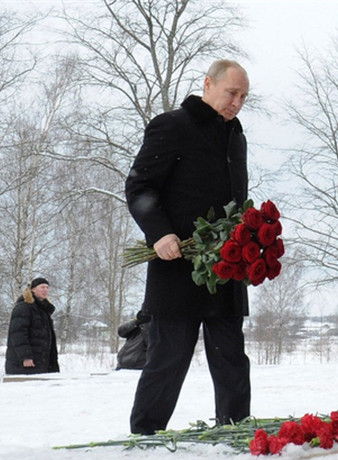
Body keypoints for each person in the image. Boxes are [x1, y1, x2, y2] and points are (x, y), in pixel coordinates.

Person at [125, 59, 252, 435]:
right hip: (177, 266)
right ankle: (145, 434)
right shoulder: (173, 126)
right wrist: (160, 234)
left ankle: (234, 430)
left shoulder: (236, 136)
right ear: (208, 84)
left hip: (226, 268)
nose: (237, 102)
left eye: (244, 96)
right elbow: (140, 187)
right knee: (168, 358)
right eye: (232, 93)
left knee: (231, 358)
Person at [5, 277, 60, 375]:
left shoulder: (43, 310)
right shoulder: (23, 307)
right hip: (26, 363)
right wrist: (26, 357)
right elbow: (18, 335)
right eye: (42, 287)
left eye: (47, 287)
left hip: (42, 361)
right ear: (33, 289)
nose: (45, 290)